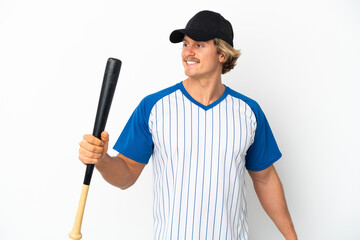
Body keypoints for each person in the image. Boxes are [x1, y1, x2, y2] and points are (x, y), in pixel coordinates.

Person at [78, 10, 297, 240]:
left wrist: (291, 237)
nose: (187, 52)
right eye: (185, 44)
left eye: (199, 45)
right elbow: (126, 176)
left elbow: (265, 178)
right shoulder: (154, 107)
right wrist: (102, 160)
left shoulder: (249, 112)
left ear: (222, 53)